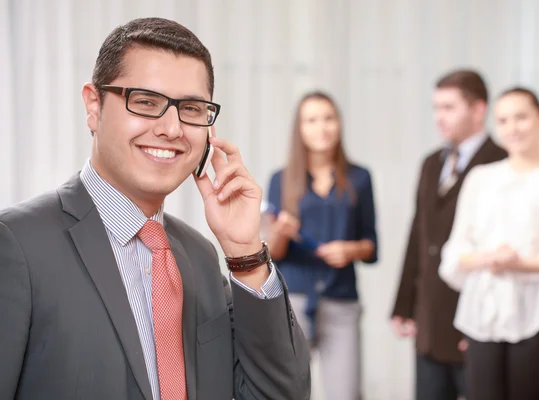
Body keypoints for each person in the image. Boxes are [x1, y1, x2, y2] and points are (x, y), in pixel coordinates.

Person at [0, 17, 310, 400]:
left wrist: (246, 252)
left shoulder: (200, 255)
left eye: (192, 109)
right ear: (94, 106)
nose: (172, 128)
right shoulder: (16, 244)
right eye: (146, 102)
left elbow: (280, 394)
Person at [439, 86, 539, 400]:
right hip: (482, 316)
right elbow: (454, 253)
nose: (513, 127)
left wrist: (518, 264)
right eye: (503, 120)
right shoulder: (480, 179)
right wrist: (488, 259)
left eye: (522, 117)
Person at [390, 69, 507, 400]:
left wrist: (487, 325)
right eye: (436, 108)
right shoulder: (431, 163)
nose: (439, 117)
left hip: (473, 321)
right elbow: (418, 236)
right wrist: (404, 305)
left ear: (478, 109)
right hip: (429, 321)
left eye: (449, 108)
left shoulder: (501, 164)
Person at [265, 91, 378, 400]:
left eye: (328, 118)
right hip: (294, 305)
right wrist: (283, 233)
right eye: (311, 120)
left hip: (341, 303)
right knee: (286, 392)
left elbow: (372, 245)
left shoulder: (360, 178)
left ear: (339, 124)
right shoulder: (281, 179)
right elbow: (272, 253)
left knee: (346, 393)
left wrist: (350, 250)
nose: (322, 127)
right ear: (299, 128)